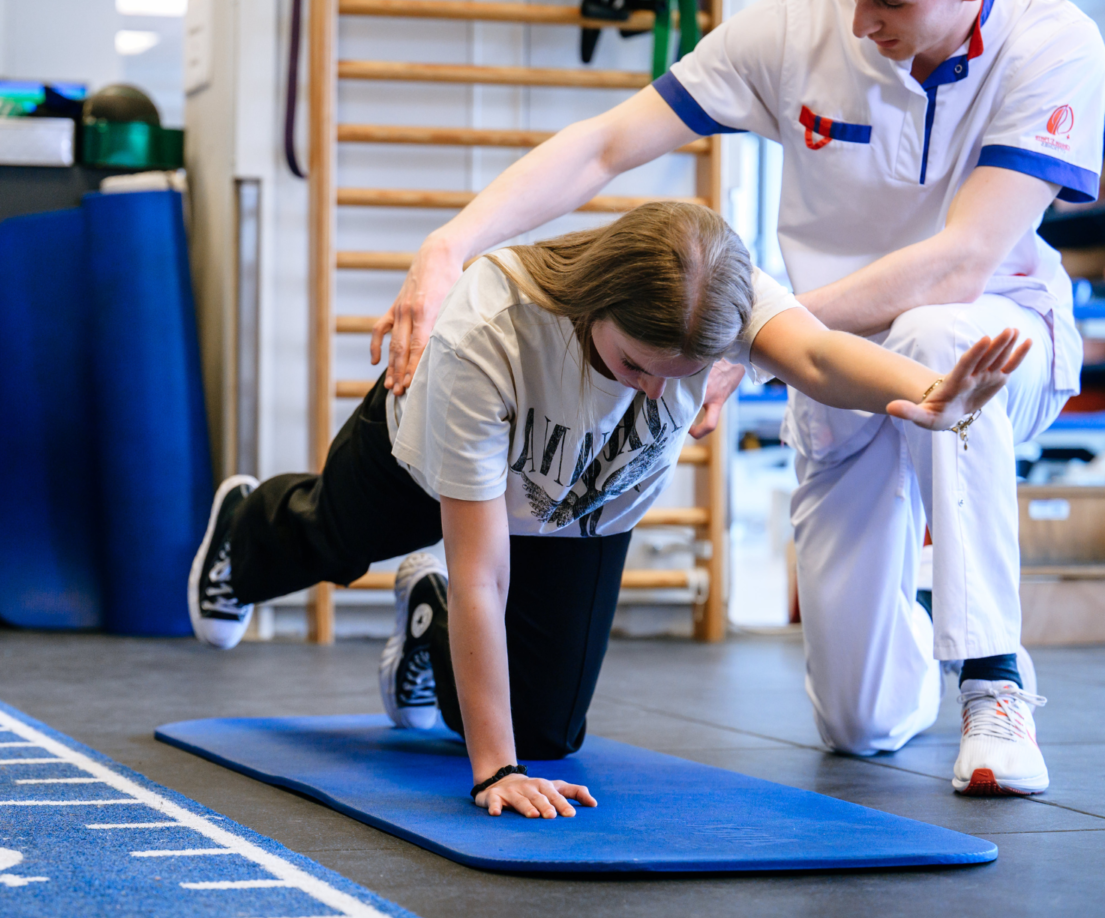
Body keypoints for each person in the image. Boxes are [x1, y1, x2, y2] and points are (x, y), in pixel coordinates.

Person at [367, 0, 1104, 797]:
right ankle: (921, 640)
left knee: (934, 334)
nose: (858, 24)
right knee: (862, 725)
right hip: (828, 377)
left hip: (993, 353)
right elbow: (608, 145)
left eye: (886, 3)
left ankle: (992, 682)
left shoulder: (1053, 40)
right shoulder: (794, 28)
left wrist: (754, 339)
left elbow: (961, 263)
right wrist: (451, 241)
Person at [189, 203, 1028, 818]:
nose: (660, 395)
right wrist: (490, 773)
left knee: (548, 738)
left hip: (575, 507)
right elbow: (481, 575)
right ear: (596, 303)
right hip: (422, 461)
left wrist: (928, 392)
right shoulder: (492, 329)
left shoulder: (716, 285)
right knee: (333, 540)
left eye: (680, 373)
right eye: (636, 366)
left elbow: (812, 352)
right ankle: (244, 528)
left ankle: (425, 623)